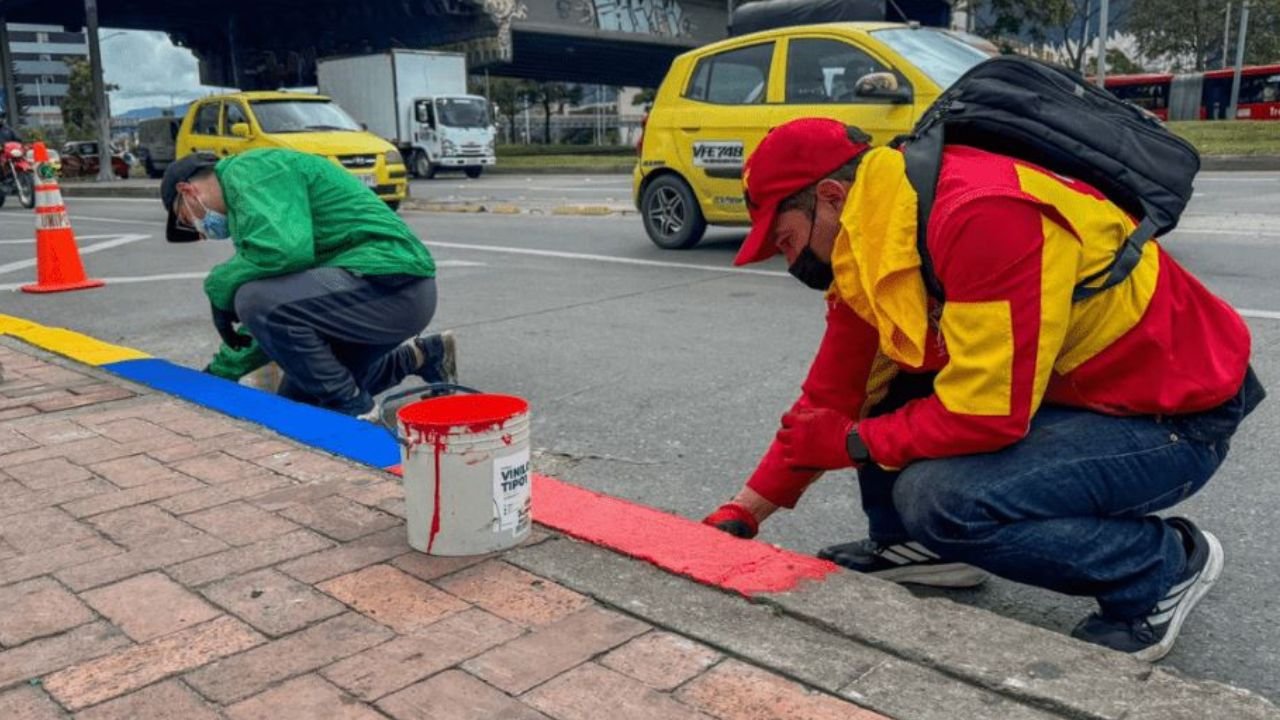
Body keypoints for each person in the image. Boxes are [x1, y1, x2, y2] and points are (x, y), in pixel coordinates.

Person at [703, 117, 1264, 661]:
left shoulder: (979, 214)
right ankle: (921, 549)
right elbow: (830, 399)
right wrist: (743, 512)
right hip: (1080, 395)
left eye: (787, 240)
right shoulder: (876, 238)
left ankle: (1160, 567)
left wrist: (852, 443)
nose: (790, 261)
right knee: (888, 387)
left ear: (830, 195)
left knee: (944, 498)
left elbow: (986, 416)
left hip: (1174, 417)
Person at [161, 149, 456, 418]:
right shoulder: (251, 206)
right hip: (382, 297)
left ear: (187, 190)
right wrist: (218, 372)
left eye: (186, 218)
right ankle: (423, 355)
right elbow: (279, 316)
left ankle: (357, 410)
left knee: (252, 298)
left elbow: (280, 263)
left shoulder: (249, 171)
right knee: (301, 401)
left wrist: (218, 287)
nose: (199, 231)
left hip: (391, 285)